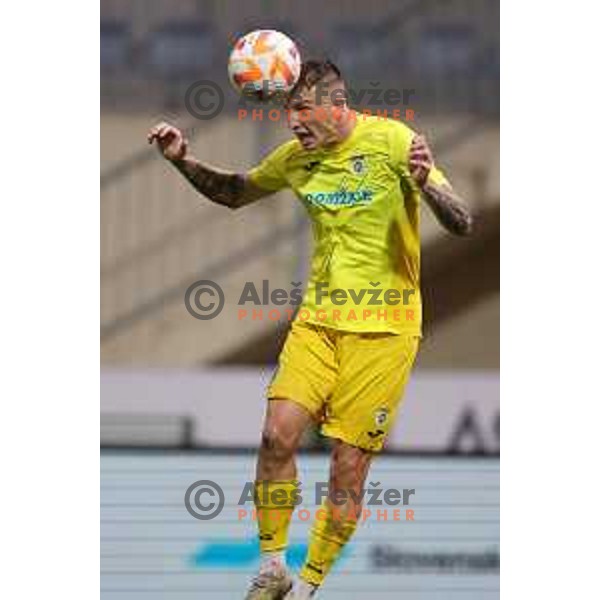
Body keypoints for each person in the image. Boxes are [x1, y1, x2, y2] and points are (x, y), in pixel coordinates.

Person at [148, 59, 472, 600]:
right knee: (276, 435)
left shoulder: (394, 141)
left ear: (336, 104)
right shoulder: (298, 159)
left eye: (300, 108)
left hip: (386, 333)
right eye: (285, 110)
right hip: (318, 323)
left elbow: (462, 221)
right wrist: (183, 160)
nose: (291, 121)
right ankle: (272, 567)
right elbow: (234, 192)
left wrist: (426, 186)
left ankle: (308, 586)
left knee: (348, 466)